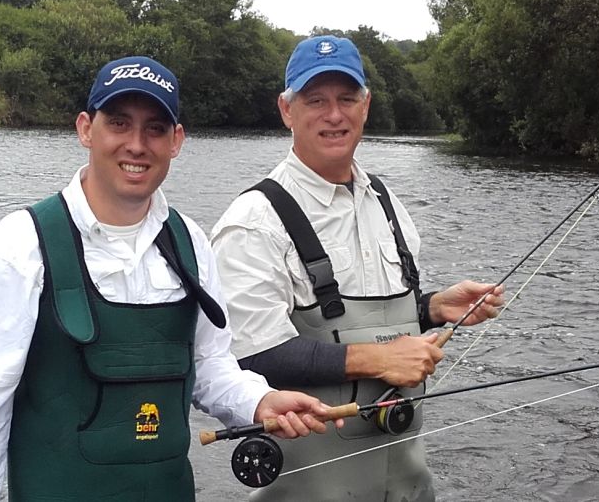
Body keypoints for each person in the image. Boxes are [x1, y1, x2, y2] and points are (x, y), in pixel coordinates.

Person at [0, 55, 338, 501]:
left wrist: (260, 401)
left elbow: (209, 366)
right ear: (85, 129)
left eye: (155, 128)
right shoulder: (18, 246)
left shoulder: (192, 242)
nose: (137, 144)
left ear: (176, 141)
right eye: (119, 123)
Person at [210, 36, 506, 501]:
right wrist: (379, 359)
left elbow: (368, 316)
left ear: (365, 106)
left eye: (347, 99)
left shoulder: (386, 203)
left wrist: (432, 307)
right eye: (316, 100)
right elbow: (249, 354)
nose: (334, 114)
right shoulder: (253, 221)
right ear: (287, 110)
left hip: (408, 487)